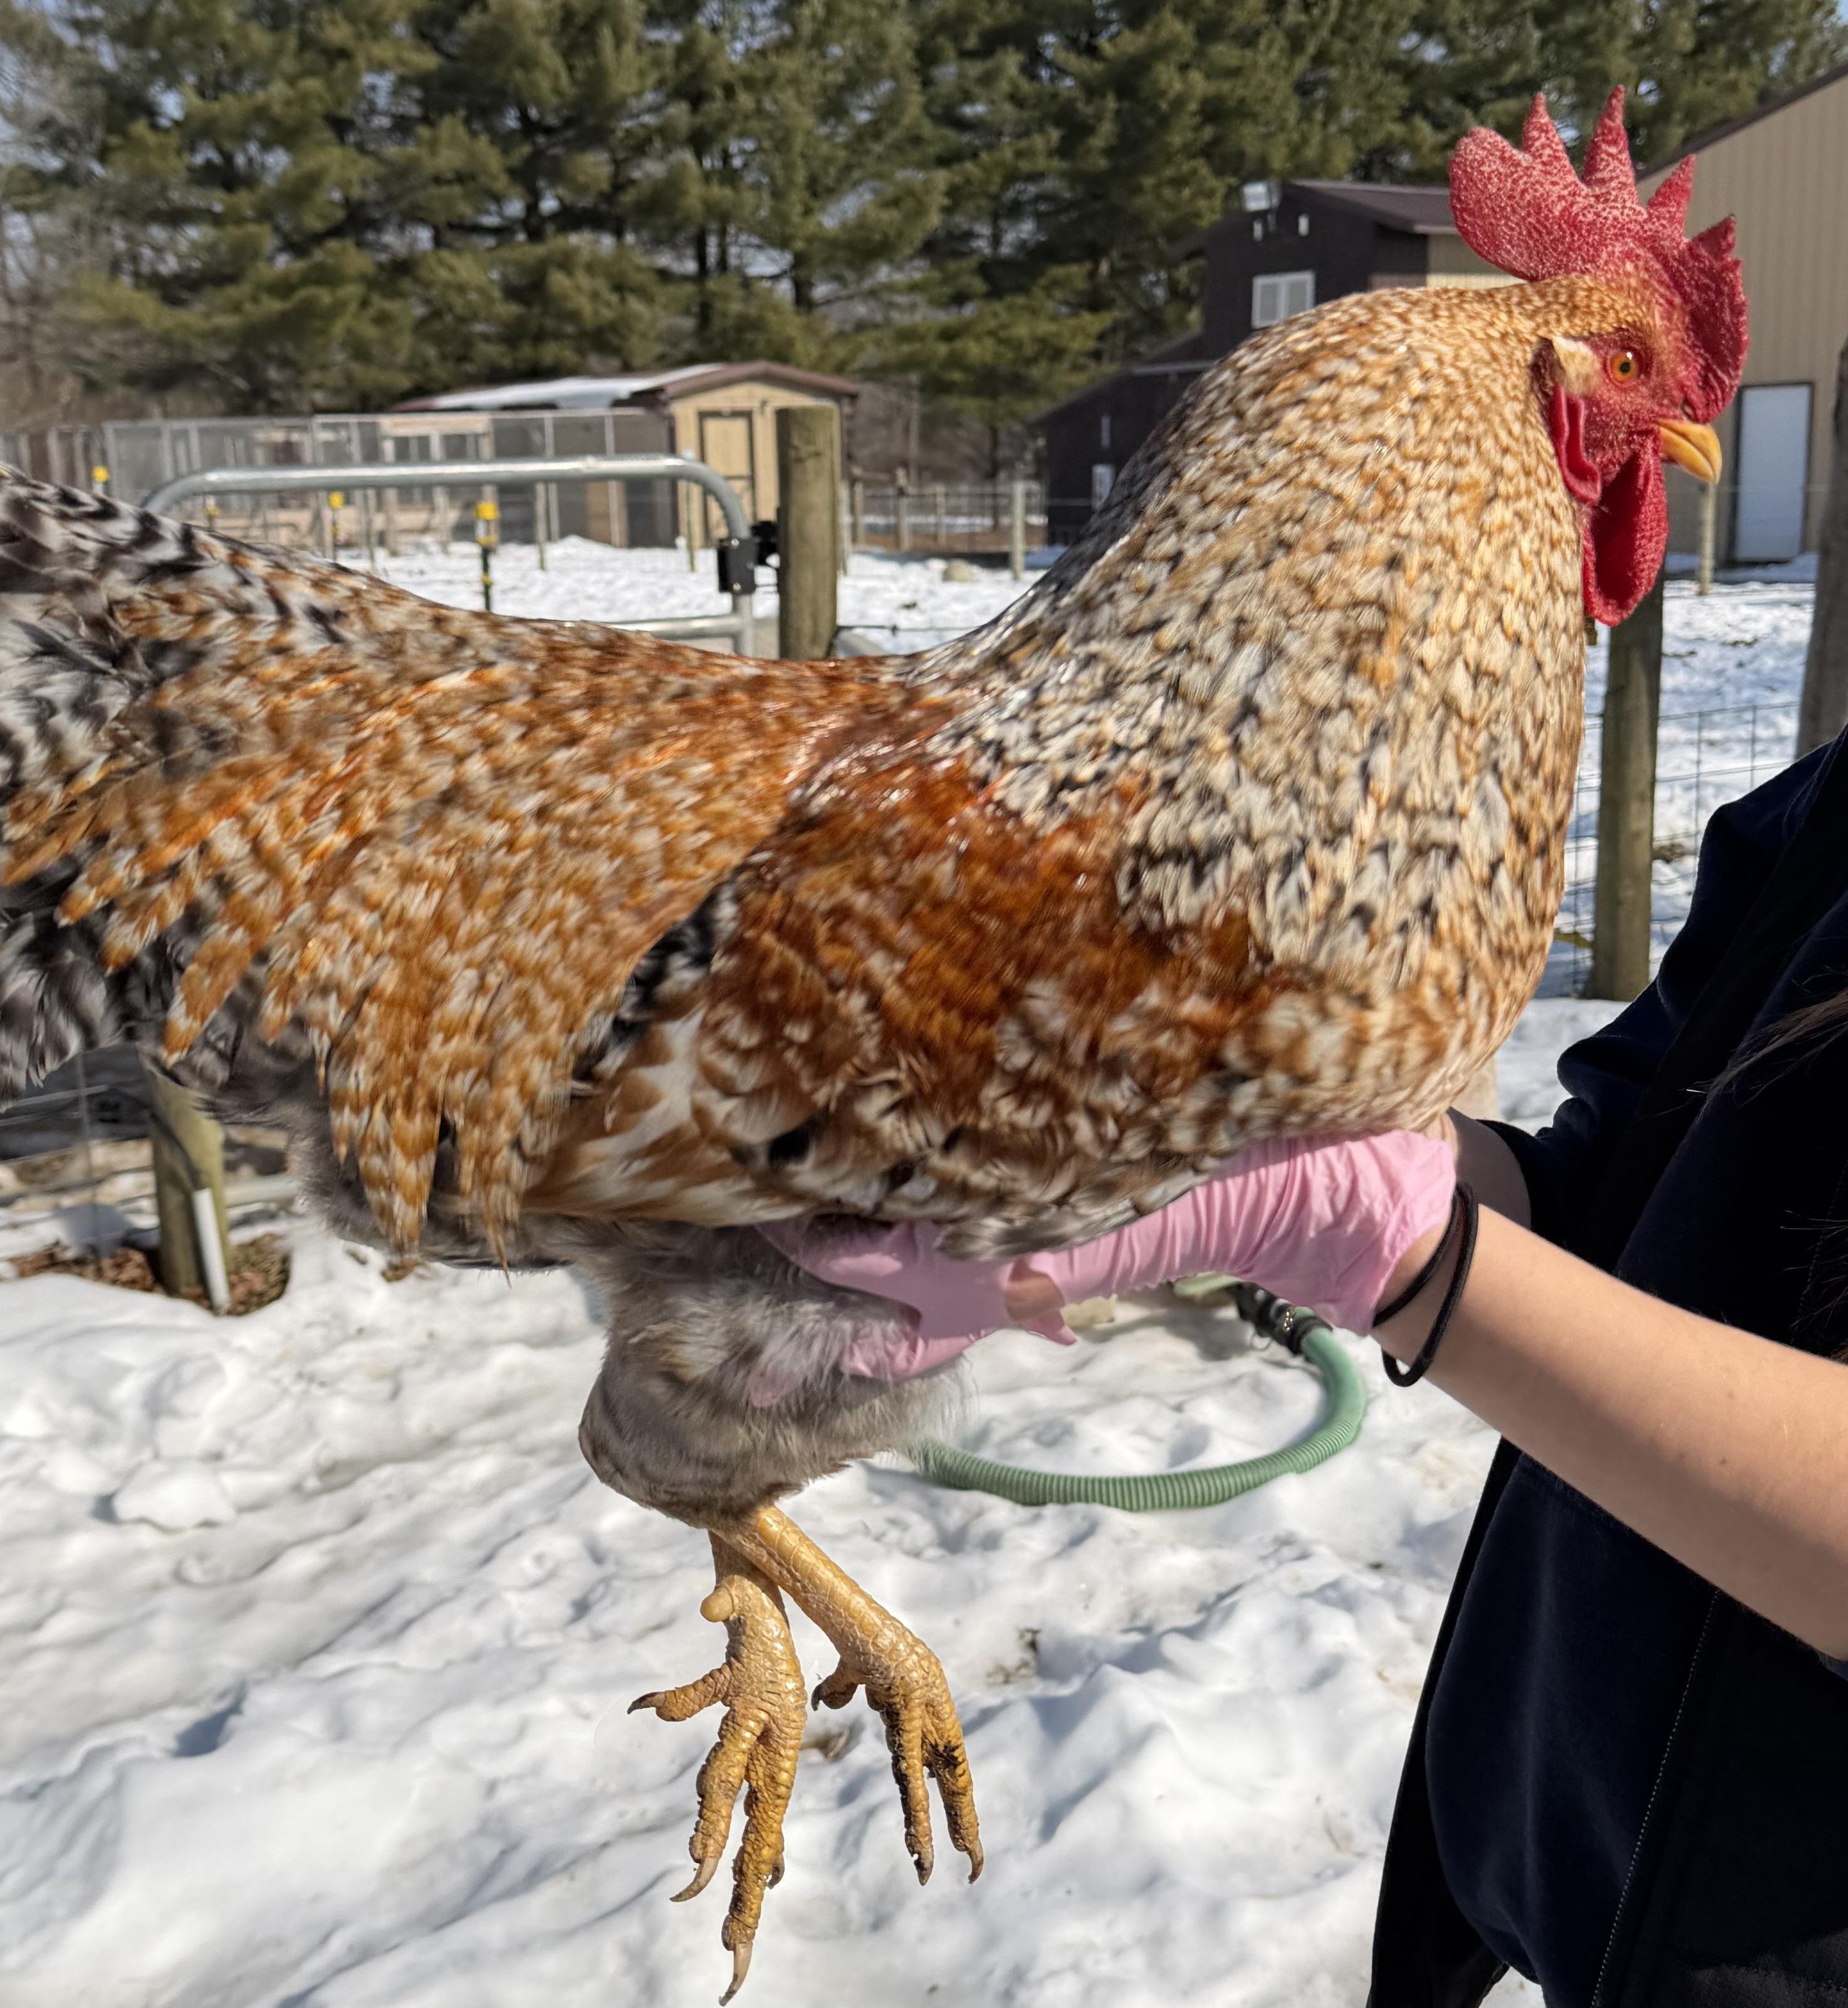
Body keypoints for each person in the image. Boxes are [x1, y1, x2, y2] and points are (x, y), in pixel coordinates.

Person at [772, 731, 1848, 2008]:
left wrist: (1384, 1248)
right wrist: (1236, 1114)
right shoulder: (1828, 807)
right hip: (1593, 1838)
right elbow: (1606, 1198)